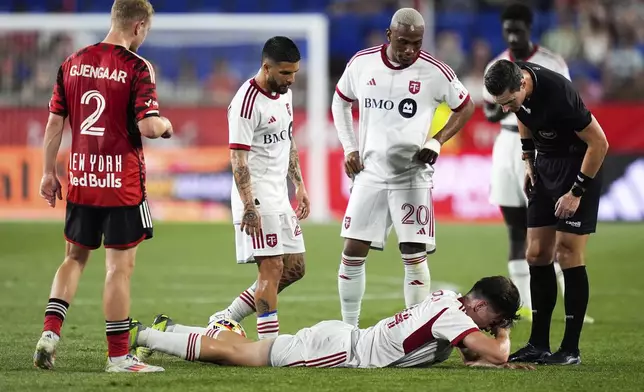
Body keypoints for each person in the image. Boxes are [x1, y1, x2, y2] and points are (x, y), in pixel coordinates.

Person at [33, 0, 172, 373]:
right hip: (121, 184)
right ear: (139, 26)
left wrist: (49, 174)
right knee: (118, 269)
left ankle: (50, 333)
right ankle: (117, 357)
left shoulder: (73, 62)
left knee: (74, 258)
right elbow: (148, 126)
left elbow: (53, 125)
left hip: (81, 179)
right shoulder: (137, 67)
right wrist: (166, 125)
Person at [331, 8, 475, 327]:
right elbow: (340, 100)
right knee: (353, 250)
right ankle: (348, 329)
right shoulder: (362, 63)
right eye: (403, 41)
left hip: (412, 174)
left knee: (412, 251)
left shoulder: (436, 71)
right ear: (389, 35)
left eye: (417, 43)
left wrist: (436, 141)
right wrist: (350, 147)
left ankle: (416, 330)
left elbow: (466, 107)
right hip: (370, 172)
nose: (410, 49)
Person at [484, 59, 609, 365]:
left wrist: (576, 192)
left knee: (567, 253)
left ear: (523, 85)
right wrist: (528, 158)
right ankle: (538, 343)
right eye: (500, 104)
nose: (505, 109)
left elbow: (599, 143)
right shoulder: (517, 89)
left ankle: (570, 349)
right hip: (545, 167)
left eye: (509, 101)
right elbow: (523, 113)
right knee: (537, 253)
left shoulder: (559, 95)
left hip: (578, 167)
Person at [131, 276, 534, 370]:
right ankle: (143, 335)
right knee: (234, 354)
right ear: (480, 306)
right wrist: (504, 337)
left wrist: (496, 354)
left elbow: (472, 358)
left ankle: (169, 329)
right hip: (340, 352)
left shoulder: (448, 299)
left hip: (340, 339)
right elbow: (496, 353)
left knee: (241, 349)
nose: (493, 326)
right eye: (494, 318)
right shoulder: (452, 315)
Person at [482, 3, 594, 324]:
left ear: (530, 28)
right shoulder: (497, 65)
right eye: (508, 29)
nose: (513, 34)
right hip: (509, 144)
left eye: (519, 28)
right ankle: (524, 305)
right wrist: (496, 113)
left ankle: (566, 298)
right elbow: (494, 109)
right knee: (517, 228)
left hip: (549, 145)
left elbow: (569, 102)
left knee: (552, 230)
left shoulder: (551, 62)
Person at [205, 37, 308, 340]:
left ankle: (227, 316)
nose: (291, 80)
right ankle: (269, 345)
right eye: (285, 74)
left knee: (295, 268)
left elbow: (288, 141)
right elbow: (237, 159)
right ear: (266, 67)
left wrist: (299, 185)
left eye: (294, 73)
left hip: (279, 193)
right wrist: (249, 206)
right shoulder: (245, 102)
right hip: (256, 195)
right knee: (272, 267)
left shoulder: (284, 95)